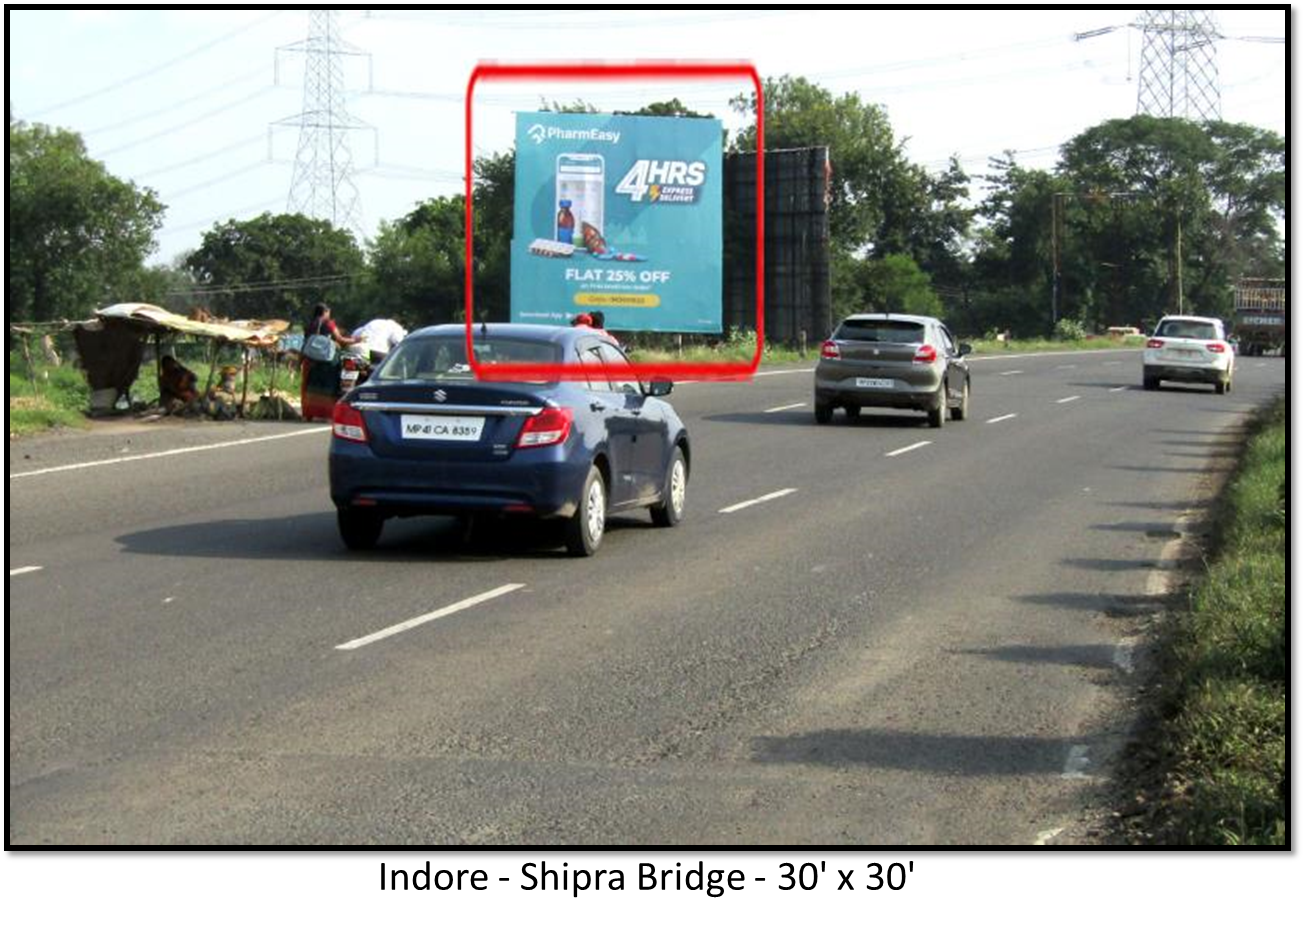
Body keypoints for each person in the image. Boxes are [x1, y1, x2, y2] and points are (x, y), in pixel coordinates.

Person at [301, 303, 361, 421]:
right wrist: (356, 340)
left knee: (312, 386)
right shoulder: (329, 323)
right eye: (328, 312)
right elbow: (340, 339)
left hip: (312, 360)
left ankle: (309, 414)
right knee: (329, 386)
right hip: (328, 361)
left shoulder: (310, 324)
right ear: (325, 312)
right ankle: (327, 414)